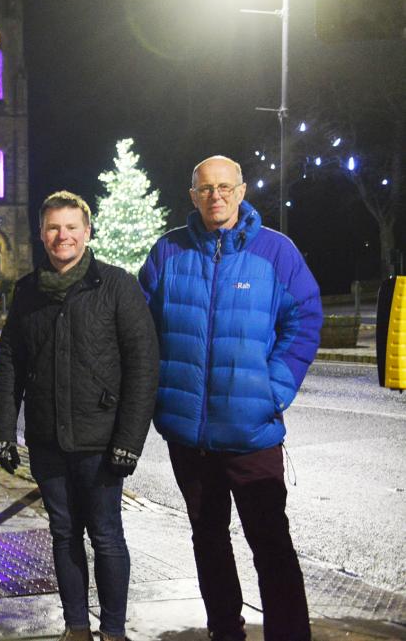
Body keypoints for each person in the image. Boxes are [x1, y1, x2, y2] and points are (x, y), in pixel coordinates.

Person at [139, 156, 322, 641]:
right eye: (205, 188)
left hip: (252, 433)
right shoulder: (167, 252)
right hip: (188, 436)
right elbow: (139, 330)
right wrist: (157, 396)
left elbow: (304, 320)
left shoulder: (275, 252)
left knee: (272, 545)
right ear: (192, 195)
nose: (215, 196)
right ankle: (226, 631)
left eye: (224, 187)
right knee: (209, 541)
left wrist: (273, 389)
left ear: (241, 191)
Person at [0, 190, 158, 641]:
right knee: (63, 535)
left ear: (87, 232)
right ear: (42, 234)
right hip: (48, 440)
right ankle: (76, 627)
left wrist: (129, 439)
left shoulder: (117, 285)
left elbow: (143, 363)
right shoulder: (27, 291)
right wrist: (4, 430)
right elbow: (11, 360)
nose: (61, 236)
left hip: (101, 441)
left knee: (105, 536)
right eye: (52, 228)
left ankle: (115, 630)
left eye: (70, 227)